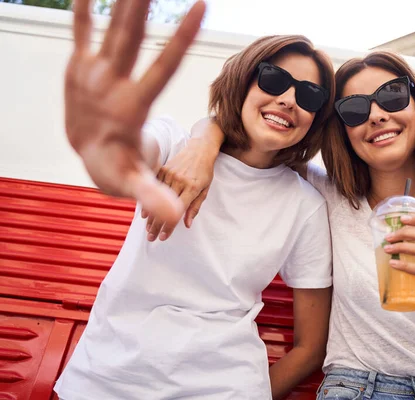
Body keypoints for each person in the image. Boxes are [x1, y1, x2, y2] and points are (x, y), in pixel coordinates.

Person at [145, 51, 415, 400]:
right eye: (354, 109)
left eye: (392, 95)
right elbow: (252, 131)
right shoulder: (326, 195)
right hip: (357, 387)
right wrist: (202, 143)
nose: (376, 114)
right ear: (342, 129)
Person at [56, 1, 336, 399]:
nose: (289, 99)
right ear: (243, 82)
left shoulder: (305, 205)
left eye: (310, 95)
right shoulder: (175, 143)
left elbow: (311, 347)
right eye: (273, 80)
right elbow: (130, 158)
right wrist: (108, 150)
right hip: (105, 380)